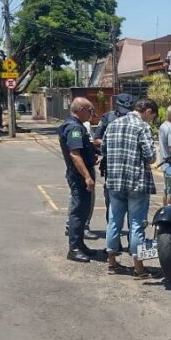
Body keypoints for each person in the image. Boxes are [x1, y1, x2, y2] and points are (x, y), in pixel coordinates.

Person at [102, 97, 159, 280]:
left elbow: (103, 149)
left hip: (115, 181)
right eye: (152, 117)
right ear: (148, 111)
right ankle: (138, 267)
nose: (151, 120)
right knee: (136, 224)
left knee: (114, 220)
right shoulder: (142, 127)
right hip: (136, 182)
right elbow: (150, 157)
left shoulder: (113, 124)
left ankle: (111, 263)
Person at [59, 97, 99, 263]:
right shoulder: (74, 128)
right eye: (90, 111)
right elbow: (75, 154)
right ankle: (74, 248)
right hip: (79, 176)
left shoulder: (77, 126)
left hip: (81, 173)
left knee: (83, 212)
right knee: (78, 211)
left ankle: (80, 245)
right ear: (81, 110)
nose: (91, 114)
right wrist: (87, 176)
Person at [93, 93, 135, 245]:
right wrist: (113, 142)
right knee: (113, 211)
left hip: (132, 169)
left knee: (134, 213)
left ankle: (133, 243)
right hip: (113, 169)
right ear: (117, 106)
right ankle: (114, 245)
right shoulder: (108, 118)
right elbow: (96, 139)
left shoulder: (136, 120)